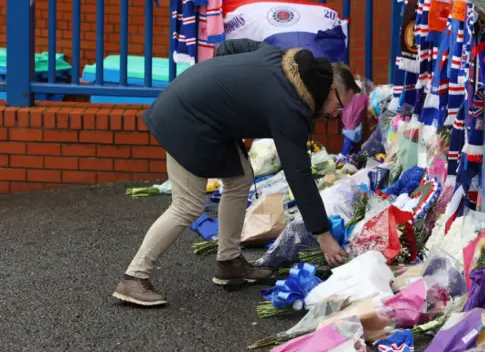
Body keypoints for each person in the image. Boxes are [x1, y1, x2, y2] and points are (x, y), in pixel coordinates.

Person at [112, 39, 361, 307]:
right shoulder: (290, 105)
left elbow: (228, 49)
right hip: (185, 117)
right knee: (187, 205)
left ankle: (229, 263)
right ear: (330, 88)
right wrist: (323, 236)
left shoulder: (281, 58)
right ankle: (134, 277)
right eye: (339, 106)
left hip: (207, 115)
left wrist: (226, 95)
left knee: (240, 178)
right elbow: (297, 173)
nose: (337, 114)